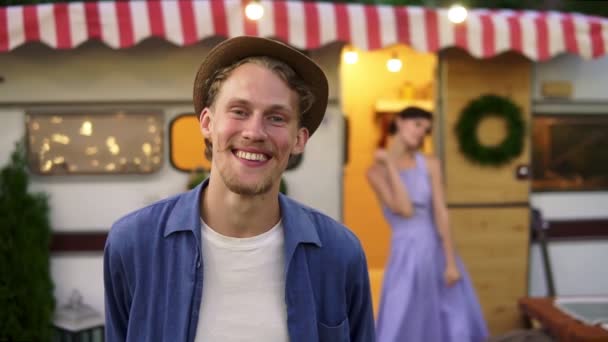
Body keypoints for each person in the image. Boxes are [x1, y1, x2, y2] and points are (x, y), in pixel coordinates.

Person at [104, 36, 375, 342]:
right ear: (207, 122)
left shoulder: (339, 253)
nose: (254, 132)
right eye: (239, 111)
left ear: (299, 139)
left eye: (276, 117)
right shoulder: (135, 244)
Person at [367, 107, 488, 342]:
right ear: (399, 122)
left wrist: (451, 262)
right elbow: (404, 208)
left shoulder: (430, 163)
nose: (422, 132)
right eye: (417, 124)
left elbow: (441, 212)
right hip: (404, 253)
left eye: (426, 129)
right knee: (401, 315)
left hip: (435, 250)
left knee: (449, 319)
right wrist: (390, 165)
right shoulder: (375, 172)